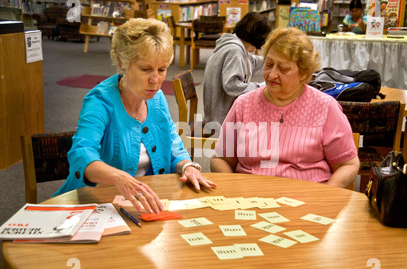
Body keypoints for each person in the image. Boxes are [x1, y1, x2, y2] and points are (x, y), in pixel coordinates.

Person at [54, 18, 215, 213]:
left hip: (144, 207)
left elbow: (174, 148)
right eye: (145, 69)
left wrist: (188, 166)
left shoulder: (157, 99)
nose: (155, 80)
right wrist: (118, 177)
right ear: (122, 62)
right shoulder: (100, 101)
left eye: (162, 69)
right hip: (96, 207)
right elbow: (81, 155)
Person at [210, 27, 360, 189]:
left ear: (303, 73)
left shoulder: (325, 107)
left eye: (283, 69)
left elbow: (348, 165)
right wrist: (232, 191)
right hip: (251, 198)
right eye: (269, 64)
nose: (272, 74)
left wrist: (325, 195)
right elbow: (222, 159)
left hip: (308, 199)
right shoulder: (243, 104)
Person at [203, 12, 273, 126]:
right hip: (221, 120)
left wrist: (273, 62)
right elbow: (231, 85)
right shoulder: (234, 51)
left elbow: (252, 62)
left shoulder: (235, 47)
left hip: (219, 114)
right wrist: (259, 87)